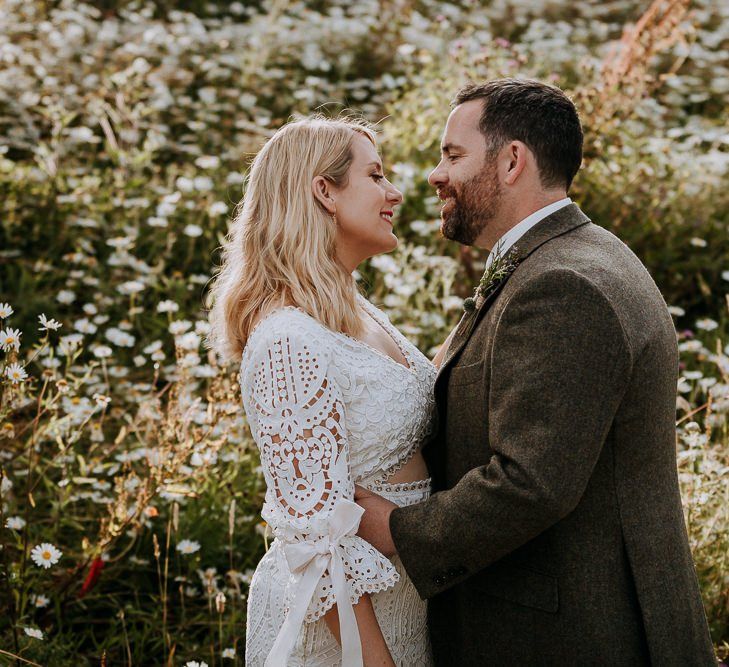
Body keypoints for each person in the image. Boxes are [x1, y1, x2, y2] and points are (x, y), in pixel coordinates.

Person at [354, 79, 716, 665]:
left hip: (571, 633)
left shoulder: (562, 284)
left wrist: (397, 529)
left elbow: (530, 481)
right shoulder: (578, 255)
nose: (434, 175)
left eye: (452, 155)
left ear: (512, 160)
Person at [206, 116, 437, 666]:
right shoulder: (287, 341)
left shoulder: (357, 312)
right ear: (324, 191)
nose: (395, 193)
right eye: (376, 176)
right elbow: (316, 545)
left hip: (407, 603)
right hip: (345, 637)